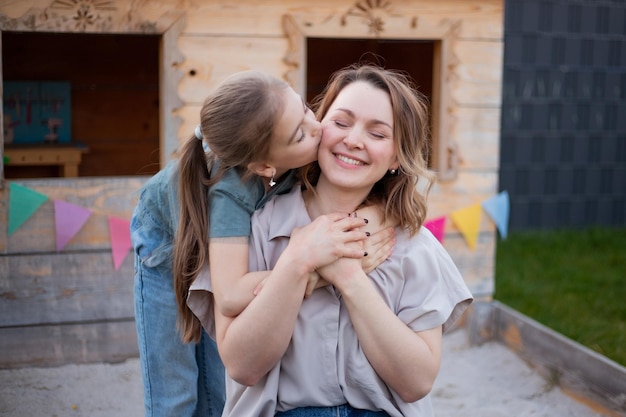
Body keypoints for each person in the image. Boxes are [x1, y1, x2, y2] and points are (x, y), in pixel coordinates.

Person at [192, 64, 474, 417]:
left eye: (378, 133)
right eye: (341, 123)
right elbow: (242, 367)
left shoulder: (413, 244)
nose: (353, 140)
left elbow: (416, 382)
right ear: (318, 127)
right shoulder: (256, 229)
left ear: (397, 157)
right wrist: (297, 260)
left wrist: (349, 276)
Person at [131, 70, 395, 417]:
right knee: (176, 394)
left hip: (223, 242)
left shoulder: (293, 140)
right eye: (301, 133)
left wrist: (377, 216)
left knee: (215, 389)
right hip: (166, 245)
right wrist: (308, 271)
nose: (317, 130)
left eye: (306, 109)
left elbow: (382, 188)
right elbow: (230, 296)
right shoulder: (232, 191)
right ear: (265, 166)